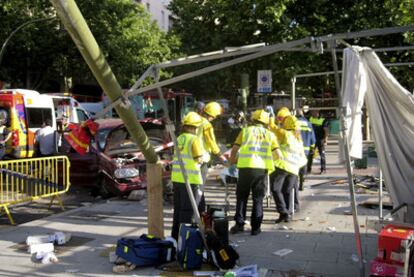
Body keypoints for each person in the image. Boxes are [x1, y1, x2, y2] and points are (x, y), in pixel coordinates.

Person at [229, 109, 280, 236]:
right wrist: (267, 160)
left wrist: (232, 161)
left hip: (245, 168)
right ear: (265, 122)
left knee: (242, 197)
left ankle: (239, 224)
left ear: (253, 120)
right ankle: (255, 228)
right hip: (261, 170)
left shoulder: (245, 131)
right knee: (258, 199)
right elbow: (278, 154)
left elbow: (235, 148)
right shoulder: (270, 134)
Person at [171, 112, 204, 240]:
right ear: (194, 127)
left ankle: (174, 237)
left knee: (178, 209)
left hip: (177, 178)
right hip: (190, 179)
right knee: (187, 210)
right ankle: (184, 239)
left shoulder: (179, 138)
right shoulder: (194, 139)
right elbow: (198, 159)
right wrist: (205, 158)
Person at [269, 115, 307, 223]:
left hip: (282, 166)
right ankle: (286, 215)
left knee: (276, 189)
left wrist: (272, 118)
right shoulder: (298, 138)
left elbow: (273, 128)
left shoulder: (285, 134)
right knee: (286, 191)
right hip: (294, 169)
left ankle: (283, 212)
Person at [196, 101, 226, 209]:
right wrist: (220, 155)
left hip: (192, 158)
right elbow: (211, 142)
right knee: (199, 186)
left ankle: (201, 207)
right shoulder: (206, 125)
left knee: (197, 186)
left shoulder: (196, 121)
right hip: (202, 159)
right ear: (213, 114)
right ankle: (198, 210)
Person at [296, 108, 316, 190]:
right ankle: (302, 182)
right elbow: (313, 139)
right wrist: (312, 147)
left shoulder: (294, 123)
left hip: (296, 148)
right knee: (303, 165)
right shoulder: (308, 124)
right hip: (305, 150)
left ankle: (295, 182)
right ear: (303, 114)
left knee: (296, 166)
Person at [308, 109, 329, 174]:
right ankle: (308, 169)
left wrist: (326, 139)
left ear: (317, 112)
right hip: (312, 140)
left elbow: (326, 130)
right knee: (310, 155)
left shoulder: (323, 119)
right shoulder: (310, 118)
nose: (312, 113)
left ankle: (323, 169)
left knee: (322, 154)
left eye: (313, 111)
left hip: (320, 140)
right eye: (311, 112)